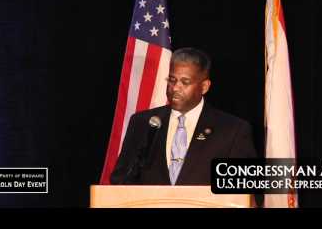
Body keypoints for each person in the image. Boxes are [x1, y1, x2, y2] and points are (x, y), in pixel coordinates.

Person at [110, 47, 257, 185]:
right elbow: (120, 180)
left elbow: (245, 189)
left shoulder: (233, 130)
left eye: (185, 82)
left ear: (204, 87)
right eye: (172, 80)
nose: (175, 88)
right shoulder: (142, 123)